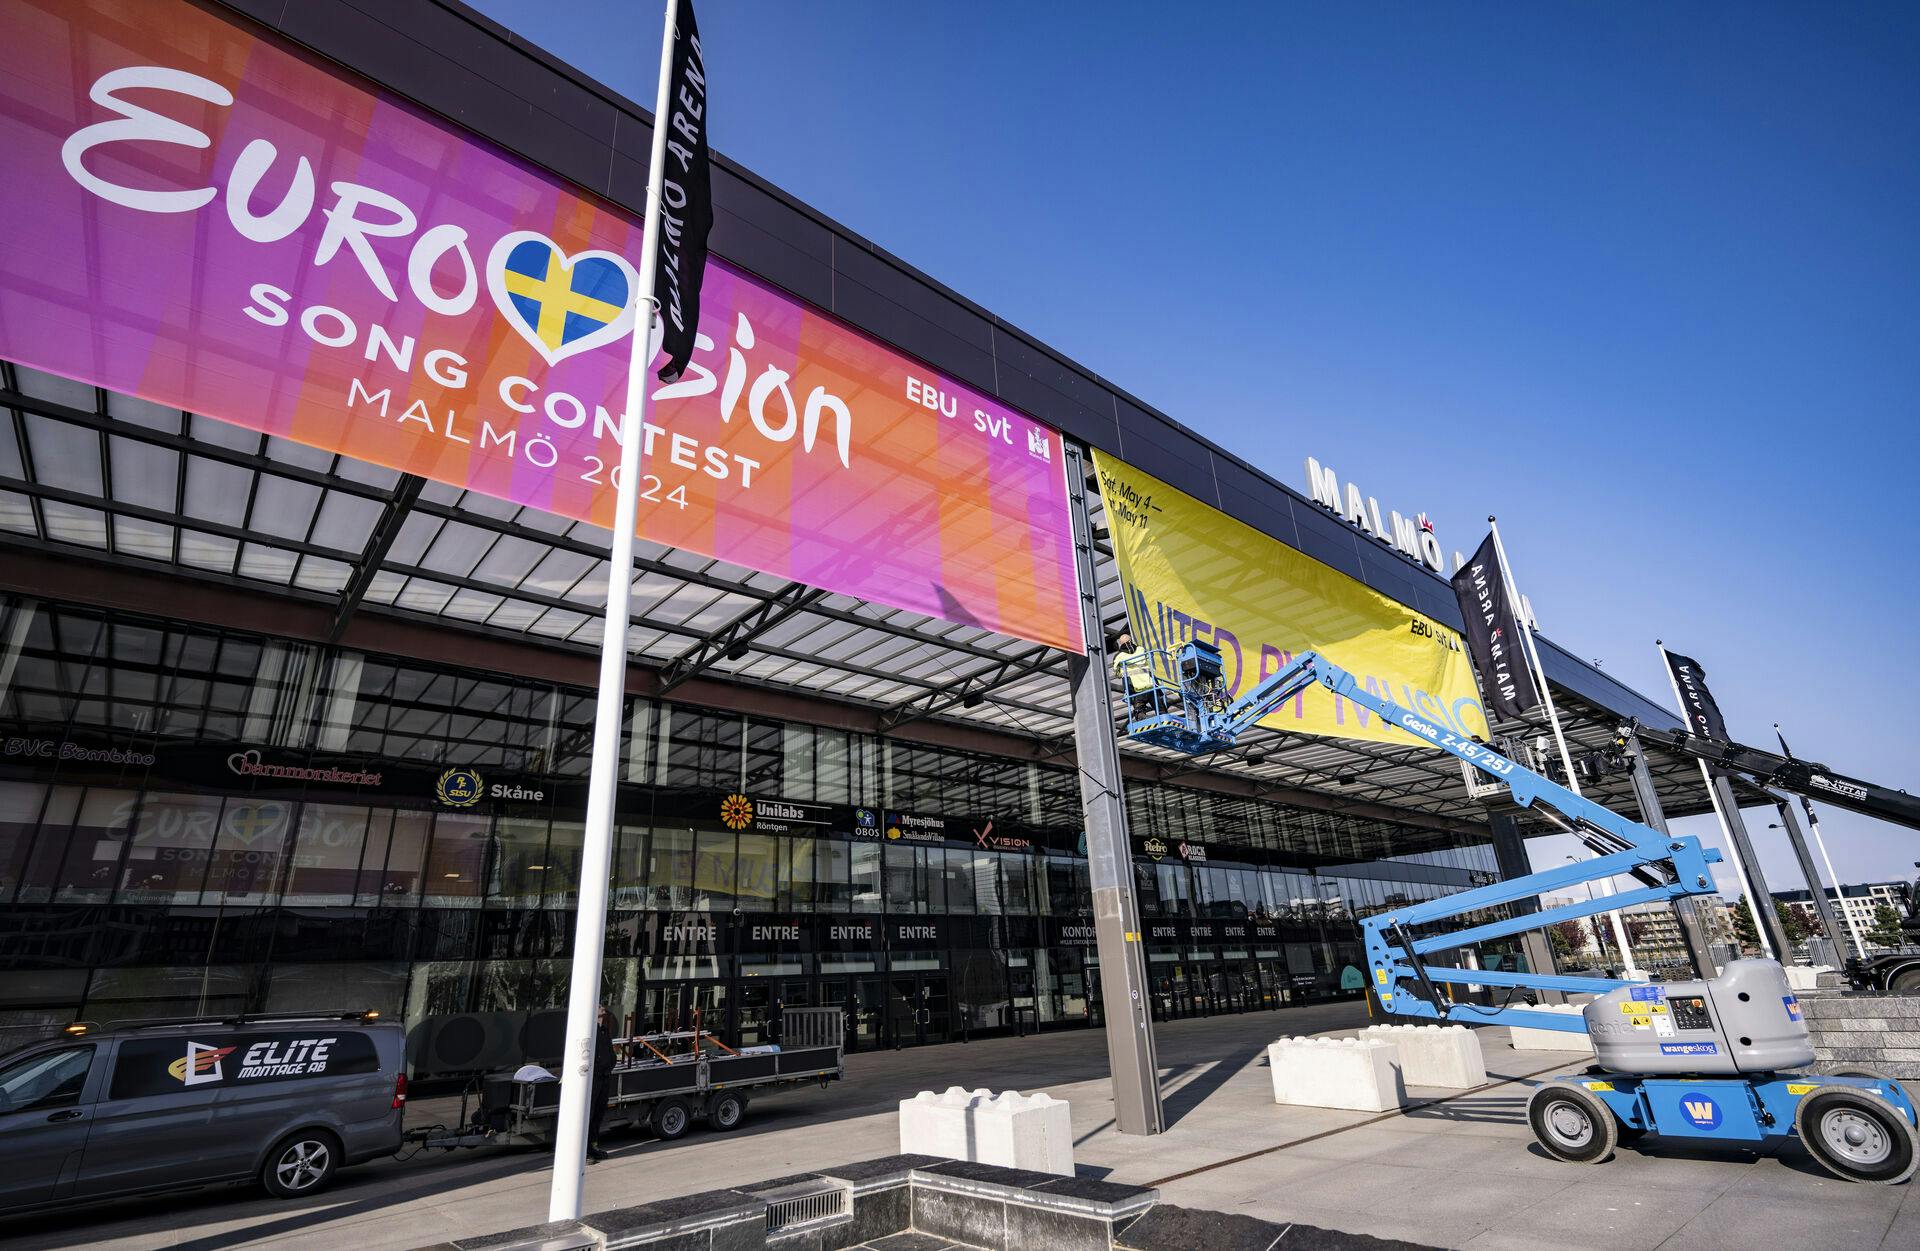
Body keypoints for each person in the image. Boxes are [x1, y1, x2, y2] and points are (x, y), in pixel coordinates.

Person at [586, 1004, 617, 1162]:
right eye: (599, 1006)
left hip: (604, 1076)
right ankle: (586, 1150)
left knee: (598, 1113)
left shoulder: (603, 1030)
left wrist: (611, 1063)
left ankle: (593, 1145)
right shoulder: (589, 1031)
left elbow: (610, 1053)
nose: (603, 1009)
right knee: (589, 1114)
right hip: (594, 1077)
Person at [1110, 632, 1156, 721]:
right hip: (1150, 684)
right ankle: (1164, 717)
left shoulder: (1118, 656)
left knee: (1139, 711)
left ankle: (1141, 718)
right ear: (1131, 640)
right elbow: (1150, 664)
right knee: (1160, 708)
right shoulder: (1141, 649)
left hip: (1134, 688)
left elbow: (1117, 673)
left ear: (1120, 644)